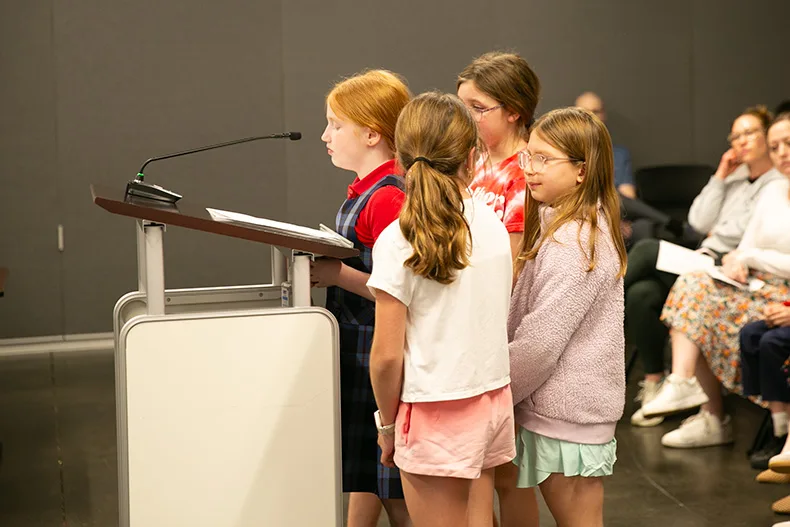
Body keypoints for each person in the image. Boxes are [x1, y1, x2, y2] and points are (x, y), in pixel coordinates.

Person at [368, 91, 515, 527]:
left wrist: (387, 427)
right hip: (491, 399)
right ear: (471, 156)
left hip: (434, 410)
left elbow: (386, 357)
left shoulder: (399, 239)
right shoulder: (492, 223)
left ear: (400, 158)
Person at [641, 113, 790, 453]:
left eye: (788, 143)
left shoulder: (766, 183)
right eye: (776, 146)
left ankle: (708, 410)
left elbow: (754, 252)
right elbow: (730, 238)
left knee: (674, 281)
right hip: (752, 281)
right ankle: (683, 384)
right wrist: (738, 259)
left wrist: (749, 257)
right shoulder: (773, 190)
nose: (782, 152)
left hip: (782, 294)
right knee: (689, 285)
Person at [508, 107, 627, 527]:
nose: (530, 168)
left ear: (581, 170)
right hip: (562, 414)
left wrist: (498, 391)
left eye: (544, 158)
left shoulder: (574, 240)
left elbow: (541, 342)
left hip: (566, 418)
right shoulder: (566, 227)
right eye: (528, 156)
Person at [311, 69, 412, 527]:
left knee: (397, 491)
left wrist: (336, 273)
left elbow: (399, 289)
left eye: (336, 125)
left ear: (372, 134)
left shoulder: (388, 197)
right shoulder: (366, 188)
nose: (325, 135)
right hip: (359, 343)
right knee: (371, 478)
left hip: (377, 343)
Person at [457, 50, 540, 527]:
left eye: (478, 108)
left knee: (509, 473)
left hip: (500, 329)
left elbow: (512, 264)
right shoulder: (473, 162)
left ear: (514, 110)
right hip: (471, 326)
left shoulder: (524, 170)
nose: (468, 117)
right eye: (463, 106)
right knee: (479, 470)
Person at [574, 91, 682, 245]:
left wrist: (616, 220)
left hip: (616, 208)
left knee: (643, 225)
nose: (591, 117)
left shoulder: (619, 153)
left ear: (604, 115)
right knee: (607, 195)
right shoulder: (568, 151)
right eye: (585, 112)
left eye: (596, 111)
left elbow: (628, 197)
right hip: (584, 209)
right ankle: (673, 224)